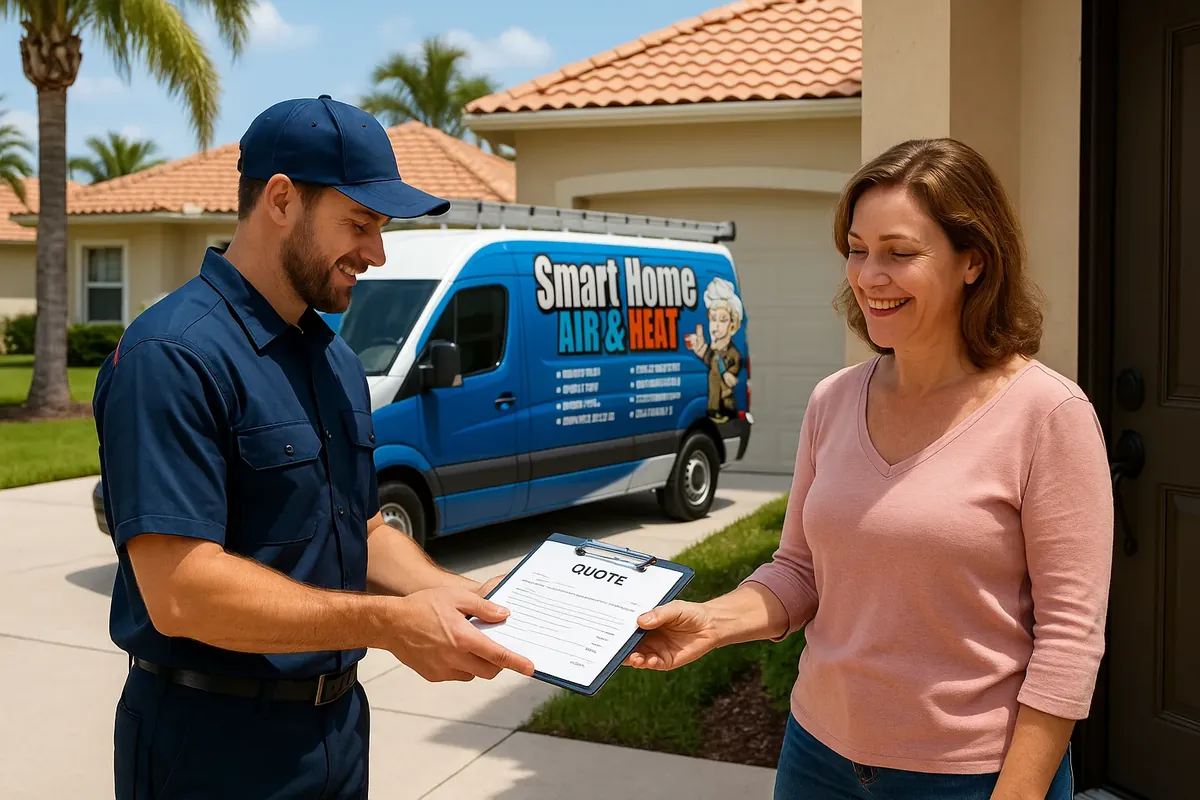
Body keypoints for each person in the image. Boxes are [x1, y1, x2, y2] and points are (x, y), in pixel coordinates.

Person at [624, 138, 1113, 800]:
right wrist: (712, 622)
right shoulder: (833, 400)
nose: (868, 276)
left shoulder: (1049, 415)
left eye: (899, 253)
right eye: (857, 250)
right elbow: (800, 571)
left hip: (969, 777)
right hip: (816, 758)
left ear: (973, 261)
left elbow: (1069, 644)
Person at [93, 95, 535, 799]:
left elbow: (361, 529)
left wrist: (464, 595)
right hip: (210, 747)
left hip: (336, 734)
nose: (376, 253)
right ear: (280, 200)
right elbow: (179, 591)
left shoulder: (333, 360)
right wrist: (390, 624)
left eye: (380, 229)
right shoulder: (172, 356)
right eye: (359, 224)